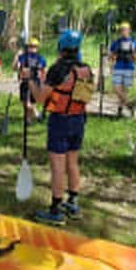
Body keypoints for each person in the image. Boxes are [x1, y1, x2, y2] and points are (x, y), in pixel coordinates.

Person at [26, 30, 94, 226]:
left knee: (58, 166)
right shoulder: (86, 69)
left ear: (61, 47)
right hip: (78, 120)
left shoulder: (58, 69)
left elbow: (40, 98)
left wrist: (30, 81)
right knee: (72, 163)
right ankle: (73, 203)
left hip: (60, 121)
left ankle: (55, 210)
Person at [109, 21, 136, 117]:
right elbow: (110, 55)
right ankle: (129, 104)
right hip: (118, 67)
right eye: (122, 30)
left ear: (129, 30)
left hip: (129, 68)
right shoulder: (116, 42)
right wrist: (111, 66)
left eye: (125, 29)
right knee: (116, 88)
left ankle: (120, 109)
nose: (123, 31)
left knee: (124, 90)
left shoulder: (135, 42)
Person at [13, 37, 47, 123]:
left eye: (34, 46)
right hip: (25, 82)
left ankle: (30, 118)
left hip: (35, 83)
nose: (32, 48)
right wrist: (16, 56)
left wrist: (44, 81)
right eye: (31, 46)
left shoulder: (40, 58)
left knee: (32, 102)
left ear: (37, 47)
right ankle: (34, 116)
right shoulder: (23, 57)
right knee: (25, 103)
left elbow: (44, 70)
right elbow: (15, 68)